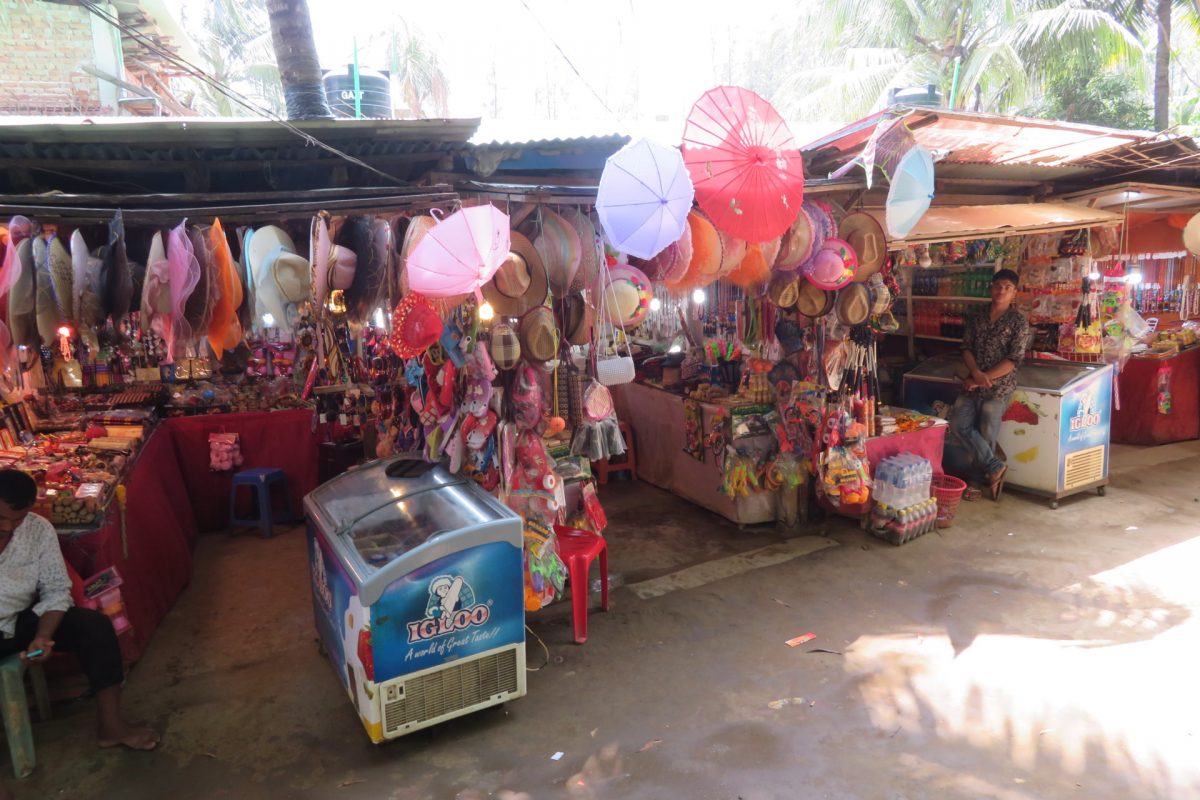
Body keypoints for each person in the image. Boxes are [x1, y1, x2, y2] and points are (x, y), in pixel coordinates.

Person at [0, 469, 159, 756]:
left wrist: (43, 637)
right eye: (1, 519)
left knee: (94, 627)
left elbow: (56, 589)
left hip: (19, 620)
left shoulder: (37, 529)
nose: (9, 528)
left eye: (18, 519)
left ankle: (111, 726)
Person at [950, 268, 1029, 500]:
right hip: (972, 383)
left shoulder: (1018, 322)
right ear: (991, 288)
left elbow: (1013, 360)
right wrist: (975, 373)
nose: (1001, 290)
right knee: (957, 424)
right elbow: (965, 347)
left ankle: (975, 482)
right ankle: (995, 466)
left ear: (1014, 293)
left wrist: (986, 378)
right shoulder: (976, 316)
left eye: (1007, 287)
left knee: (986, 434)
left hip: (999, 389)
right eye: (998, 285)